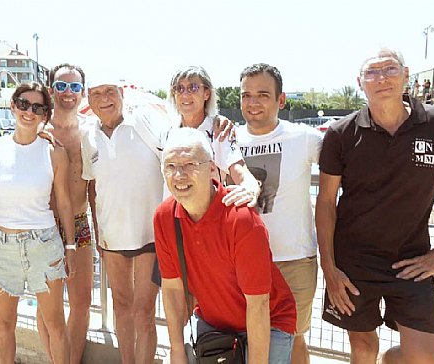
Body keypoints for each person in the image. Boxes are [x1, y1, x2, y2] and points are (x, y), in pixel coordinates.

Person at [316, 48, 434, 363]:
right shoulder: (340, 133)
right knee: (363, 350)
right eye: (372, 72)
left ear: (406, 75)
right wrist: (329, 268)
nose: (382, 78)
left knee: (425, 358)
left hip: (413, 261)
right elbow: (325, 202)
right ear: (360, 83)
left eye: (390, 69)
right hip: (354, 263)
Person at [154, 127, 297, 364]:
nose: (179, 175)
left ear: (211, 167)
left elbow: (258, 303)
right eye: (170, 166)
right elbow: (171, 288)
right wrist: (176, 350)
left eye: (189, 164)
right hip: (213, 320)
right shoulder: (164, 217)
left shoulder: (241, 219)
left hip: (268, 321)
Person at [0, 81, 75, 364]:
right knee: (3, 326)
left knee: (55, 325)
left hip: (43, 245)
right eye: (23, 104)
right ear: (12, 106)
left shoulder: (54, 153)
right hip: (1, 246)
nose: (29, 112)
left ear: (45, 114)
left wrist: (70, 246)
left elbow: (65, 202)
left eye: (37, 107)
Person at [236, 63, 322, 364]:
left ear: (280, 100)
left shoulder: (305, 138)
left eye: (262, 94)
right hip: (243, 262)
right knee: (248, 340)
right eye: (246, 95)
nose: (253, 102)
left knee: (295, 339)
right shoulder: (229, 140)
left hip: (293, 260)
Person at [81, 79, 164, 364]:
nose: (104, 99)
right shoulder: (87, 136)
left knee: (144, 313)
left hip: (150, 236)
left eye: (109, 92)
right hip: (112, 237)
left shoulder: (143, 123)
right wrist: (98, 232)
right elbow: (92, 189)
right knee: (121, 307)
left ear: (121, 95)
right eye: (96, 93)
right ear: (88, 100)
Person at [35, 63, 95, 364]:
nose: (68, 93)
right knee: (48, 308)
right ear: (51, 90)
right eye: (61, 86)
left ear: (82, 93)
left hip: (80, 223)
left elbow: (95, 186)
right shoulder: (38, 133)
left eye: (74, 87)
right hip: (45, 225)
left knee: (83, 302)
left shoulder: (90, 134)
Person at [167, 66, 260, 207]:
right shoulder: (167, 132)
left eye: (193, 87)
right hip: (173, 220)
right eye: (179, 88)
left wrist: (251, 189)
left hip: (208, 220)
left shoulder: (219, 131)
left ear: (206, 94)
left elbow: (240, 170)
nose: (185, 94)